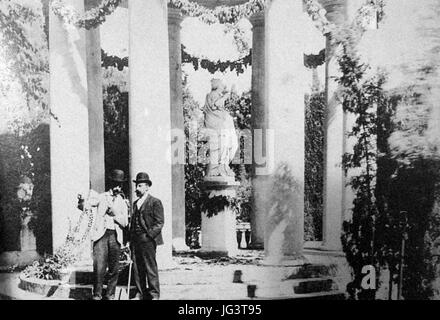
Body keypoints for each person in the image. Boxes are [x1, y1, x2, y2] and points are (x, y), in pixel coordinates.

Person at [90, 169, 129, 300]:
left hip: (115, 236)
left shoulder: (123, 202)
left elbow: (125, 223)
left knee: (114, 267)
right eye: (116, 184)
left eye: (120, 185)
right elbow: (87, 205)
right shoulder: (101, 197)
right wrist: (81, 201)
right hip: (101, 235)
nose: (118, 187)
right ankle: (97, 294)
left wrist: (115, 214)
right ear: (111, 183)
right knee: (99, 266)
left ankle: (110, 295)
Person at [130, 172, 164, 300]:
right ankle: (140, 293)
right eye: (136, 186)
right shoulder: (135, 204)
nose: (137, 189)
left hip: (148, 240)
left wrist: (149, 236)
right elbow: (133, 223)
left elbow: (160, 222)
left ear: (147, 187)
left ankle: (154, 294)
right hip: (136, 240)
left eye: (140, 186)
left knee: (150, 267)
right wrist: (130, 239)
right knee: (137, 268)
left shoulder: (155, 202)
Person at [203, 78, 239, 179]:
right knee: (224, 145)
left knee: (230, 145)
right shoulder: (213, 94)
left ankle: (223, 166)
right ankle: (221, 167)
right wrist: (225, 97)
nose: (224, 86)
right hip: (217, 128)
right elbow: (217, 104)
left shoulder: (217, 95)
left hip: (221, 126)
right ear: (218, 85)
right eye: (223, 85)